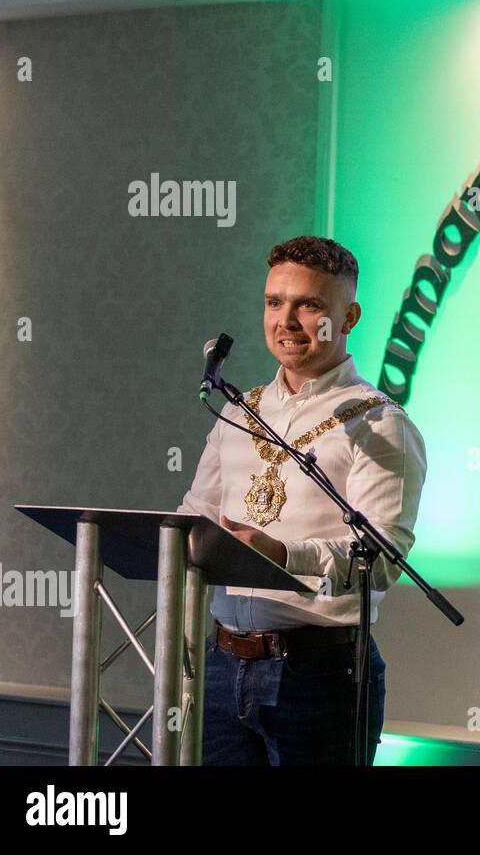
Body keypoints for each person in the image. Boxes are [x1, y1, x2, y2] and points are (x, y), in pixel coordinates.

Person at [177, 235, 427, 765]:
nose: (286, 321)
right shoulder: (238, 412)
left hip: (319, 675)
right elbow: (193, 517)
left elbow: (381, 560)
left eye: (309, 305)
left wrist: (285, 555)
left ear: (349, 316)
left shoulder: (380, 423)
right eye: (274, 303)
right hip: (221, 664)